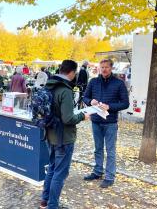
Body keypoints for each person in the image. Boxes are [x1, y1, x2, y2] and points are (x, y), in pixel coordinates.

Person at [40, 60, 88, 209]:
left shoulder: (50, 85)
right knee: (59, 173)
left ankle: (45, 200)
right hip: (63, 139)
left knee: (52, 169)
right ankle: (52, 206)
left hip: (49, 135)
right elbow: (68, 118)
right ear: (72, 73)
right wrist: (83, 116)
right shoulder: (65, 90)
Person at [82, 59, 129, 188]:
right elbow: (84, 97)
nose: (104, 69)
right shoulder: (93, 82)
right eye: (101, 67)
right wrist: (90, 101)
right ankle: (97, 172)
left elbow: (125, 103)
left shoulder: (119, 83)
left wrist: (110, 106)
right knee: (98, 149)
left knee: (110, 151)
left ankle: (109, 176)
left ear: (111, 68)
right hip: (96, 121)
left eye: (106, 67)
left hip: (110, 122)